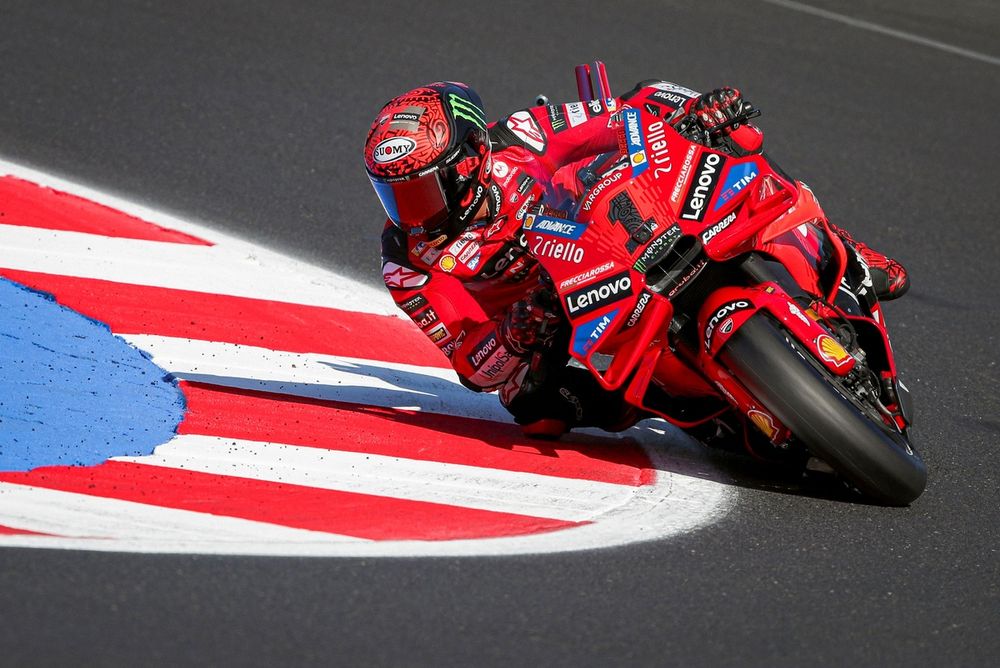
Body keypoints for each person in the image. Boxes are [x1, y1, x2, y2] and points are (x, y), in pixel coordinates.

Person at [364, 79, 909, 438]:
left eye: (421, 191)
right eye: (394, 196)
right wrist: (516, 330)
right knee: (534, 412)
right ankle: (685, 407)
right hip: (559, 312)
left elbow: (619, 116)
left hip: (613, 220)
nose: (410, 212)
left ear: (470, 157)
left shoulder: (522, 136)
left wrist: (692, 117)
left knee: (681, 105)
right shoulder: (406, 260)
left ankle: (827, 235)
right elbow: (471, 365)